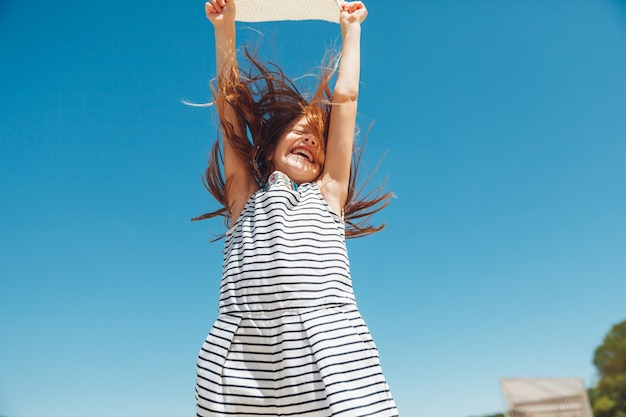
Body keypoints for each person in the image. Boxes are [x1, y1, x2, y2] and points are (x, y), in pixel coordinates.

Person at [194, 0, 398, 415]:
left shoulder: (328, 193)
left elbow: (346, 96)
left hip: (330, 355)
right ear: (268, 149)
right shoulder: (245, 197)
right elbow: (230, 107)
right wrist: (224, 29)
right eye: (300, 132)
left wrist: (352, 29)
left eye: (319, 140)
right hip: (242, 362)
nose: (310, 140)